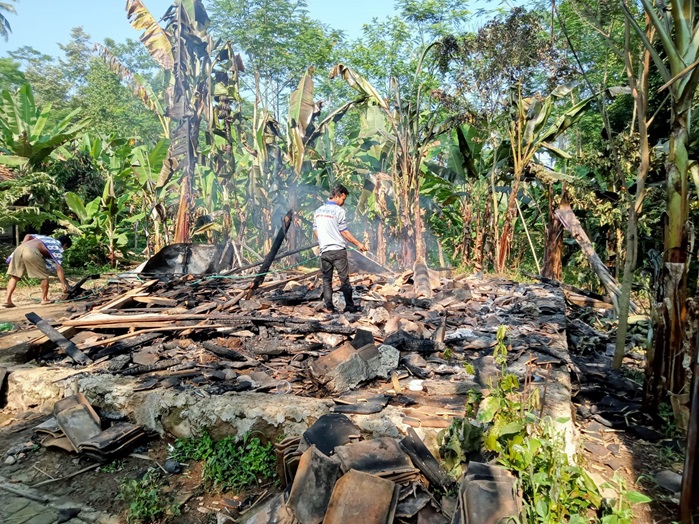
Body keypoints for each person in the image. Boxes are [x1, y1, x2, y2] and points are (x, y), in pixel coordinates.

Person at [313, 184, 368, 314]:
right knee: (344, 280)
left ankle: (329, 307)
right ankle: (349, 306)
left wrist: (323, 240)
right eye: (343, 199)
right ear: (338, 195)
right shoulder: (339, 211)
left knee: (327, 280)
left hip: (325, 251)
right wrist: (358, 244)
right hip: (338, 250)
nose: (343, 202)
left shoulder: (318, 211)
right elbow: (344, 232)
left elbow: (315, 230)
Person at [3, 234, 72, 308]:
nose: (64, 250)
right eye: (66, 248)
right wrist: (63, 284)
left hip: (19, 249)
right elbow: (59, 268)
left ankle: (8, 300)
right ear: (65, 245)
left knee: (14, 276)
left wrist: (24, 245)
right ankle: (44, 299)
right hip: (31, 251)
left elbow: (28, 235)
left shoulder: (46, 239)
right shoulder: (58, 248)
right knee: (44, 277)